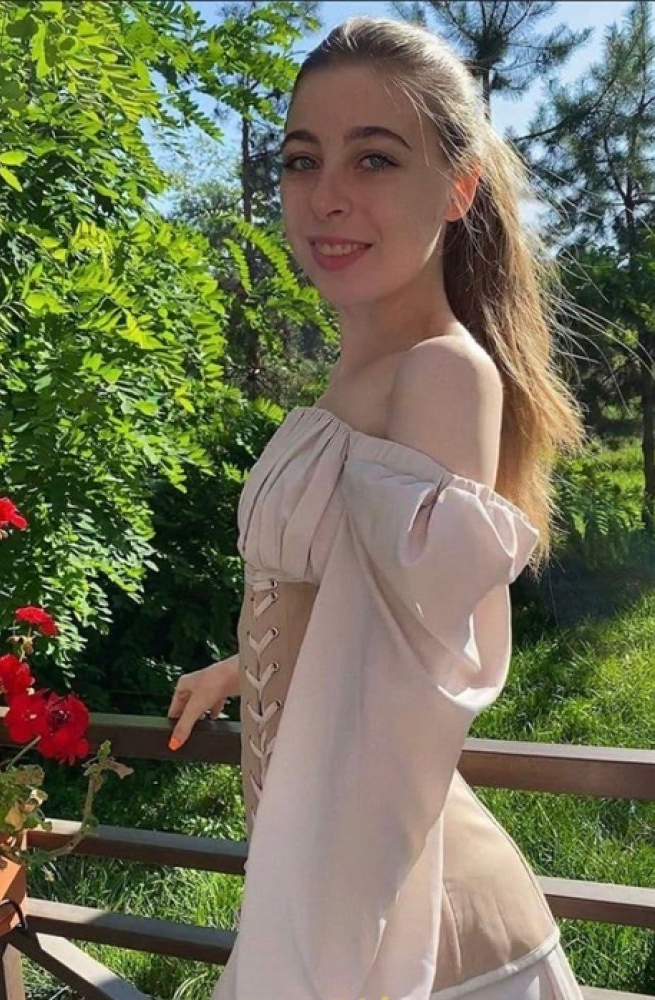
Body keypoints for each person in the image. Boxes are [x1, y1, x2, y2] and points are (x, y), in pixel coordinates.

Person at [167, 15, 588, 999]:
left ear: (457, 187)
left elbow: (404, 694)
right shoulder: (356, 379)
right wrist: (250, 665)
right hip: (325, 884)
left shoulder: (440, 373)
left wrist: (314, 956)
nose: (326, 195)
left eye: (374, 158)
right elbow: (354, 610)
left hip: (399, 928)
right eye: (301, 158)